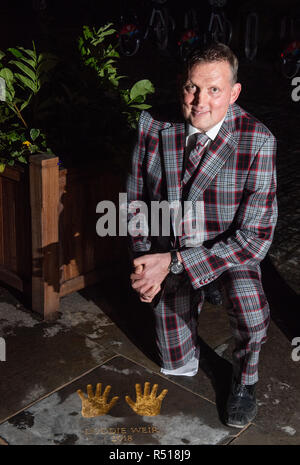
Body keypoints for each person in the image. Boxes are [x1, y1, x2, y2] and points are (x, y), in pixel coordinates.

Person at [126, 43, 277, 428]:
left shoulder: (258, 141)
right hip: (168, 248)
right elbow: (136, 202)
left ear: (234, 92)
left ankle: (244, 381)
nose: (200, 101)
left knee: (253, 315)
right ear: (182, 86)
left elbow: (255, 239)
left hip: (225, 254)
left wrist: (173, 264)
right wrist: (145, 263)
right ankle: (188, 307)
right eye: (193, 88)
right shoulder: (153, 125)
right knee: (177, 366)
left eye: (214, 90)